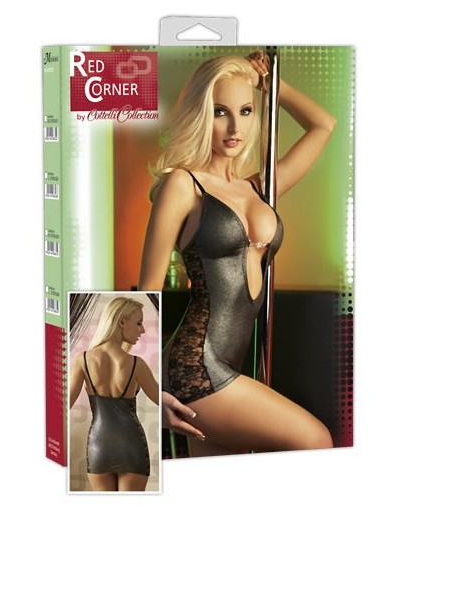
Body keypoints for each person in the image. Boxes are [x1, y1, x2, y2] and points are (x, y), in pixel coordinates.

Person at [139, 51, 336, 457]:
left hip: (231, 365)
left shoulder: (259, 187)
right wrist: (149, 394)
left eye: (246, 111)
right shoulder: (183, 185)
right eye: (220, 112)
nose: (235, 127)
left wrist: (271, 85)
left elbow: (323, 126)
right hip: (195, 368)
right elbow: (147, 292)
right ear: (201, 115)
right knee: (315, 440)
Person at [69, 296, 160, 490]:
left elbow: (62, 405)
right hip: (131, 446)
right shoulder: (136, 364)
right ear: (121, 322)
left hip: (99, 446)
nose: (143, 330)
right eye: (139, 323)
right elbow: (163, 400)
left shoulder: (82, 360)